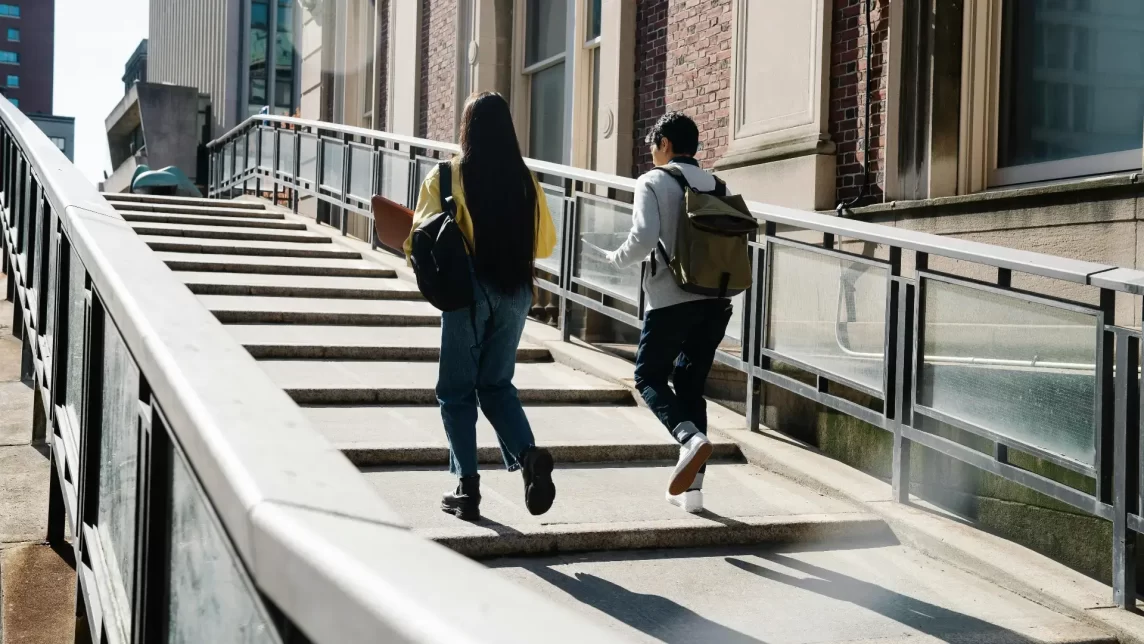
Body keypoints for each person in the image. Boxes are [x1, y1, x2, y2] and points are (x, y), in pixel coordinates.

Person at [404, 92, 559, 522]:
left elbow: (417, 240)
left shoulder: (446, 176)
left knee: (456, 391)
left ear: (466, 130)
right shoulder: (525, 180)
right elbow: (545, 244)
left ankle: (467, 489)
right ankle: (528, 456)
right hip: (515, 292)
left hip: (467, 294)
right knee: (495, 385)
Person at [604, 112, 734, 514]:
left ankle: (688, 438)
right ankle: (693, 494)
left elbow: (642, 238)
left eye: (652, 144)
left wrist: (615, 258)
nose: (651, 152)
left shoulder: (653, 181)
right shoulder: (717, 183)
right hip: (716, 299)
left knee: (647, 376)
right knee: (691, 385)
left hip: (671, 301)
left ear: (664, 143)